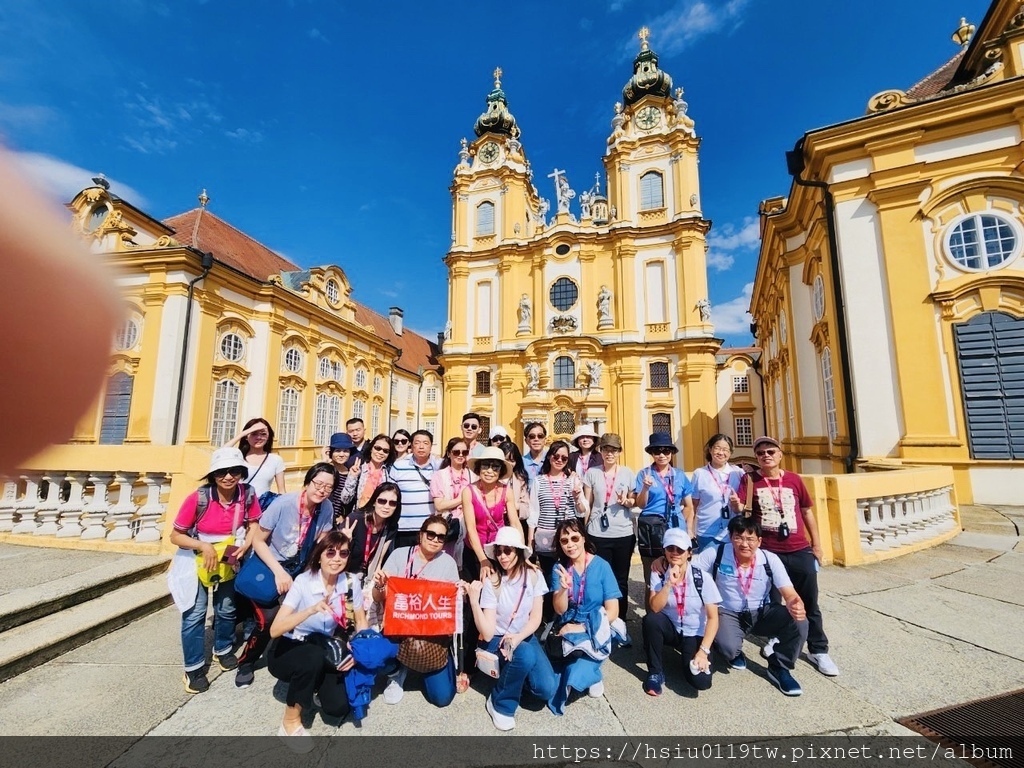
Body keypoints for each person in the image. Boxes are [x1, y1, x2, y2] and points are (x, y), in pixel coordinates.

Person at [734, 436, 839, 677]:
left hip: (799, 548)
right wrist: (737, 507)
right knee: (772, 602)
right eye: (760, 453)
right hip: (768, 551)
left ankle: (818, 649)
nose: (766, 455)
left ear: (780, 454)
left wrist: (818, 545)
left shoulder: (794, 480)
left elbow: (807, 513)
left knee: (808, 601)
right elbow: (741, 510)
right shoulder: (750, 481)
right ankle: (776, 638)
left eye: (770, 451)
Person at [168, 447, 261, 693]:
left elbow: (253, 524)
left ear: (241, 472)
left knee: (227, 607)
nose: (228, 477)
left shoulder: (247, 494)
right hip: (198, 557)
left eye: (234, 471)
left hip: (230, 552)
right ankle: (194, 668)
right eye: (221, 472)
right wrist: (202, 545)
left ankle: (222, 649)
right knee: (195, 613)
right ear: (213, 475)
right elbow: (175, 535)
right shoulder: (198, 498)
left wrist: (246, 546)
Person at [234, 462, 336, 688]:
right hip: (270, 564)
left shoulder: (326, 508)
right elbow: (259, 542)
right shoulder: (283, 504)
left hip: (298, 568)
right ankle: (247, 661)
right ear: (308, 482)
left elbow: (321, 542)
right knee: (268, 619)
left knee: (304, 613)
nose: (322, 490)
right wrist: (279, 572)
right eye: (318, 484)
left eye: (328, 487)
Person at [692, 516, 808, 696]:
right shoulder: (717, 553)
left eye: (750, 539)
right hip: (728, 612)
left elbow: (789, 592)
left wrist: (795, 603)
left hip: (762, 612)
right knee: (728, 648)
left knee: (800, 622)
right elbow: (688, 568)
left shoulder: (770, 559)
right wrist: (662, 562)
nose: (744, 544)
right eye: (738, 537)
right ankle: (734, 651)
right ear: (731, 538)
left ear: (759, 541)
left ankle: (779, 667)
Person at [268, 530, 368, 737]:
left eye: (343, 553)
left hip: (325, 647)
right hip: (291, 646)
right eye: (330, 553)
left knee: (338, 707)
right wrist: (309, 610)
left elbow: (360, 621)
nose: (337, 559)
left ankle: (312, 685)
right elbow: (275, 630)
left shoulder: (350, 582)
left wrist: (359, 652)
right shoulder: (304, 581)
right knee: (311, 658)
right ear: (320, 555)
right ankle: (290, 721)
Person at [465, 526, 557, 731]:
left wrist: (516, 638)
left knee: (546, 689)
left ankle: (512, 680)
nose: (502, 556)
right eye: (499, 551)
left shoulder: (534, 576)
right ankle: (500, 703)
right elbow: (487, 632)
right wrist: (473, 600)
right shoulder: (493, 582)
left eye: (508, 550)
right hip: (496, 639)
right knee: (524, 655)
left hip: (523, 636)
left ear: (519, 552)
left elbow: (535, 618)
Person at [372, 515, 461, 707]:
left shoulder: (448, 563)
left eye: (441, 537)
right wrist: (380, 586)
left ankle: (427, 665)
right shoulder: (399, 555)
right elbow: (379, 597)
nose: (435, 540)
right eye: (431, 534)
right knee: (374, 656)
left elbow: (450, 605)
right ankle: (396, 672)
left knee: (442, 698)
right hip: (398, 631)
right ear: (421, 535)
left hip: (430, 636)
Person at [548, 518, 620, 714]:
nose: (570, 544)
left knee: (573, 674)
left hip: (596, 626)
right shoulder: (560, 568)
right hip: (568, 624)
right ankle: (590, 671)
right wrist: (563, 588)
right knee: (553, 675)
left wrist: (583, 628)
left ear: (583, 538)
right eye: (564, 540)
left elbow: (613, 611)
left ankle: (592, 675)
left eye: (574, 538)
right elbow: (560, 610)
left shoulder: (602, 566)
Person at [642, 529, 720, 697]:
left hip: (694, 634)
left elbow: (713, 618)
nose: (675, 553)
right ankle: (655, 672)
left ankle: (691, 656)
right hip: (672, 627)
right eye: (670, 549)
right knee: (651, 620)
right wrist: (669, 584)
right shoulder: (658, 572)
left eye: (680, 549)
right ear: (664, 551)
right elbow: (655, 608)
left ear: (689, 553)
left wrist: (703, 651)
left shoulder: (702, 578)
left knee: (701, 683)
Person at [527, 440, 588, 624]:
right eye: (556, 456)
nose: (559, 460)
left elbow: (582, 510)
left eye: (564, 457)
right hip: (545, 536)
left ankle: (568, 613)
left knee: (568, 573)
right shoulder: (539, 481)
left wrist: (577, 498)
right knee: (547, 576)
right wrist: (531, 539)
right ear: (549, 457)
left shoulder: (573, 480)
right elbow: (534, 511)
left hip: (567, 537)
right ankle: (548, 617)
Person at [581, 433, 636, 627]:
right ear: (600, 451)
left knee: (621, 578)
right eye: (606, 449)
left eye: (613, 450)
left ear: (619, 452)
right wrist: (584, 531)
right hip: (597, 533)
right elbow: (587, 503)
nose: (609, 453)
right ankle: (599, 619)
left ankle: (619, 621)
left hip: (623, 533)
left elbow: (632, 500)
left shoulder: (628, 473)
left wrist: (626, 502)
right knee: (598, 578)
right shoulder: (592, 473)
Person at [631, 432, 695, 586]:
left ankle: (677, 607)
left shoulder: (679, 475)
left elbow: (689, 506)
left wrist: (687, 528)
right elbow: (640, 504)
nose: (661, 455)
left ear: (671, 453)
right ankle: (652, 609)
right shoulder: (644, 474)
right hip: (652, 529)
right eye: (657, 451)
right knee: (652, 575)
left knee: (678, 572)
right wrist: (645, 488)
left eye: (666, 451)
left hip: (675, 529)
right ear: (651, 453)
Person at [344, 482, 401, 630]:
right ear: (374, 501)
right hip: (346, 578)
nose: (386, 506)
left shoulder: (391, 527)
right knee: (347, 624)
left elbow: (378, 559)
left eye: (392, 503)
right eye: (382, 501)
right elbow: (333, 554)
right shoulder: (355, 519)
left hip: (365, 580)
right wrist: (345, 542)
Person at [690, 433, 744, 551]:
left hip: (733, 531)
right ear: (710, 450)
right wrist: (689, 530)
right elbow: (693, 505)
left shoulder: (738, 473)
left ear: (730, 453)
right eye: (717, 448)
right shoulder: (699, 473)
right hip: (707, 531)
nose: (721, 452)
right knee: (708, 567)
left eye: (725, 449)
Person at [389, 429, 441, 549]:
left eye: (425, 443)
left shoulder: (439, 466)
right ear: (411, 445)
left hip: (429, 528)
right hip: (403, 527)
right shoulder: (399, 466)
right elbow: (390, 494)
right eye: (417, 443)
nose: (421, 447)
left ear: (431, 446)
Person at [430, 437, 475, 561]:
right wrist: (464, 498)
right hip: (447, 525)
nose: (460, 455)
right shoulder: (439, 475)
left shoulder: (472, 475)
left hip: (468, 526)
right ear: (449, 453)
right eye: (456, 452)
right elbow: (439, 506)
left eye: (464, 452)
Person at [226, 418, 286, 503]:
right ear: (246, 437)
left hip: (263, 509)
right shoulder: (238, 457)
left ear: (268, 437)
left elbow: (282, 491)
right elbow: (220, 453)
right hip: (239, 507)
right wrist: (243, 434)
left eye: (263, 434)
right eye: (254, 434)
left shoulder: (276, 460)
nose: (259, 437)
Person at [341, 434, 394, 512]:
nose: (381, 452)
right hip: (360, 517)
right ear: (371, 449)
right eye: (377, 448)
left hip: (380, 519)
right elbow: (345, 499)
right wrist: (352, 477)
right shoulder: (360, 470)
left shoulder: (389, 473)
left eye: (385, 451)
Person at [325, 432, 357, 525]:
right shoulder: (325, 469)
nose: (342, 454)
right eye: (338, 451)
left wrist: (343, 515)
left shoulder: (350, 473)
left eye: (346, 451)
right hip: (323, 517)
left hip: (339, 522)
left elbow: (349, 500)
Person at [499, 440, 531, 530]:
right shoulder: (490, 477)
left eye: (512, 460)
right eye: (506, 460)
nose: (509, 464)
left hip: (513, 526)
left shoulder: (520, 479)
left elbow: (526, 508)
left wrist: (513, 506)